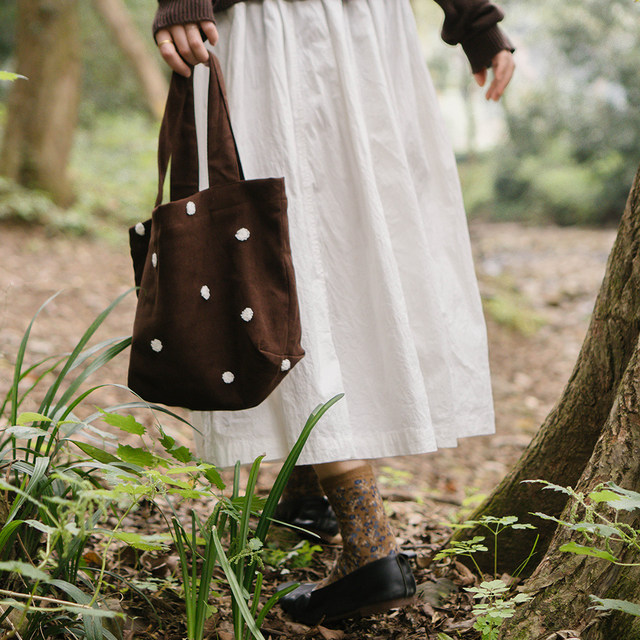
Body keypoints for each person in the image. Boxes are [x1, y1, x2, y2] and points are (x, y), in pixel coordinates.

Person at [151, 0, 514, 625]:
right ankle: (307, 498)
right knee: (335, 254)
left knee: (287, 262)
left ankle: (370, 550)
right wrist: (477, 24)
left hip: (281, 30)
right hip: (367, 36)